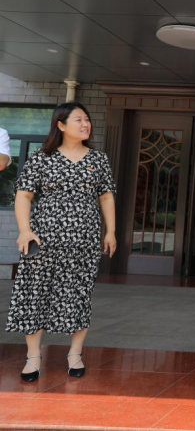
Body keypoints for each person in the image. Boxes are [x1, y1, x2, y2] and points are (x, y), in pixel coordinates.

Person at [6, 102, 117, 382]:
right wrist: (24, 230)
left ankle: (75, 354)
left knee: (78, 293)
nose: (86, 124)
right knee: (35, 293)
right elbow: (24, 195)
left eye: (87, 119)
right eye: (78, 119)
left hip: (84, 239)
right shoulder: (42, 157)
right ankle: (33, 357)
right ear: (61, 125)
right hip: (43, 237)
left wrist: (111, 231)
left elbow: (106, 196)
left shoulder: (98, 159)